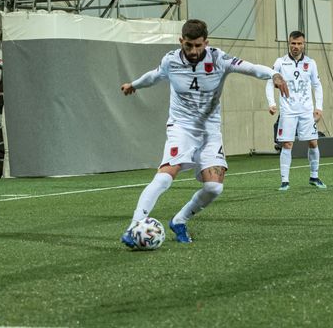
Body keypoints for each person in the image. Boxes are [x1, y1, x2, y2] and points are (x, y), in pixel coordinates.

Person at [120, 19, 289, 246]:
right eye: (188, 45)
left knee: (214, 187)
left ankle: (179, 220)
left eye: (198, 45)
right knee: (165, 176)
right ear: (182, 41)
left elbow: (250, 67)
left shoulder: (218, 58)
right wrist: (134, 84)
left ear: (206, 42)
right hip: (182, 127)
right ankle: (133, 227)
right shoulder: (171, 60)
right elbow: (154, 75)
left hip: (210, 131)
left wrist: (273, 75)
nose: (193, 51)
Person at [265, 30, 326, 191]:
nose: (296, 46)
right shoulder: (280, 62)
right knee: (287, 144)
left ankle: (314, 176)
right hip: (288, 111)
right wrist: (271, 103)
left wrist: (318, 107)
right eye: (293, 43)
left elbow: (317, 85)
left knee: (313, 142)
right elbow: (270, 82)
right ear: (288, 43)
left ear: (304, 44)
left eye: (299, 43)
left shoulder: (311, 63)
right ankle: (285, 181)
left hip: (306, 111)